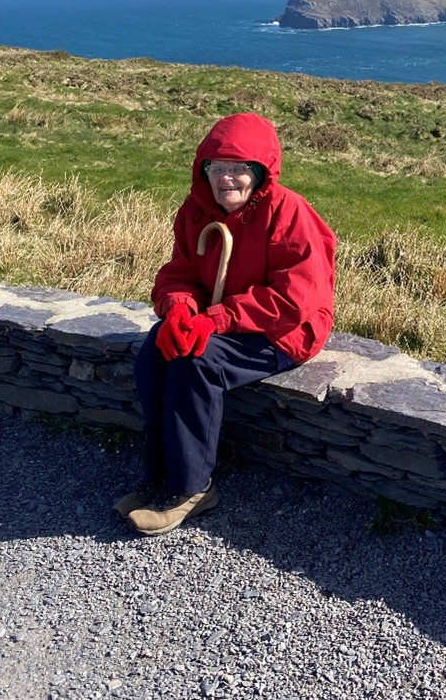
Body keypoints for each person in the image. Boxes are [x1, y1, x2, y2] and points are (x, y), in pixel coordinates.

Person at [115, 112, 336, 535]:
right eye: (217, 168)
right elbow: (180, 272)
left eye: (239, 169)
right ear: (204, 171)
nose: (227, 179)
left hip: (285, 329)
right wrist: (178, 308)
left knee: (197, 363)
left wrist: (217, 319)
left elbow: (295, 299)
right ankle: (157, 476)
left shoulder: (290, 213)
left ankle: (191, 489)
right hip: (225, 321)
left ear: (260, 173)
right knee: (158, 350)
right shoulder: (196, 211)